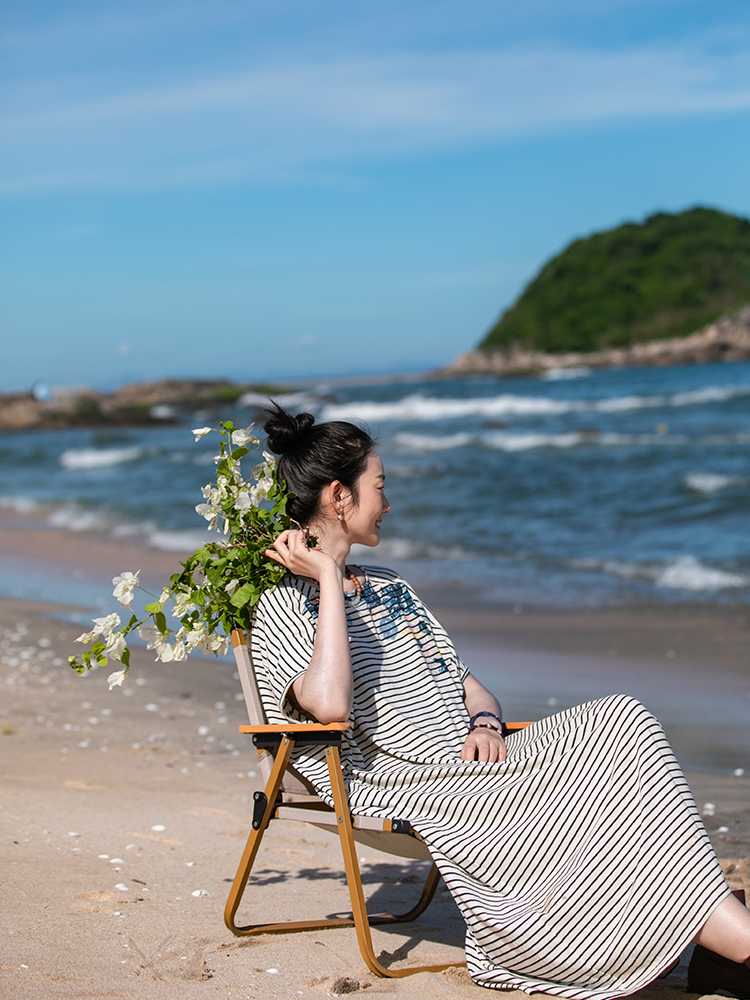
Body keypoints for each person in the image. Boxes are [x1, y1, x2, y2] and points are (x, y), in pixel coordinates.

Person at [250, 403, 750, 1000]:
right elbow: (329, 706)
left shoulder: (391, 587)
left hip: (470, 755)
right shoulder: (284, 607)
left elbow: (467, 682)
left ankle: (715, 939)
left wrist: (486, 723)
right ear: (339, 496)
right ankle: (735, 942)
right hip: (399, 781)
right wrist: (328, 580)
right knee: (570, 797)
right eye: (380, 487)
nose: (389, 503)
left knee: (622, 719)